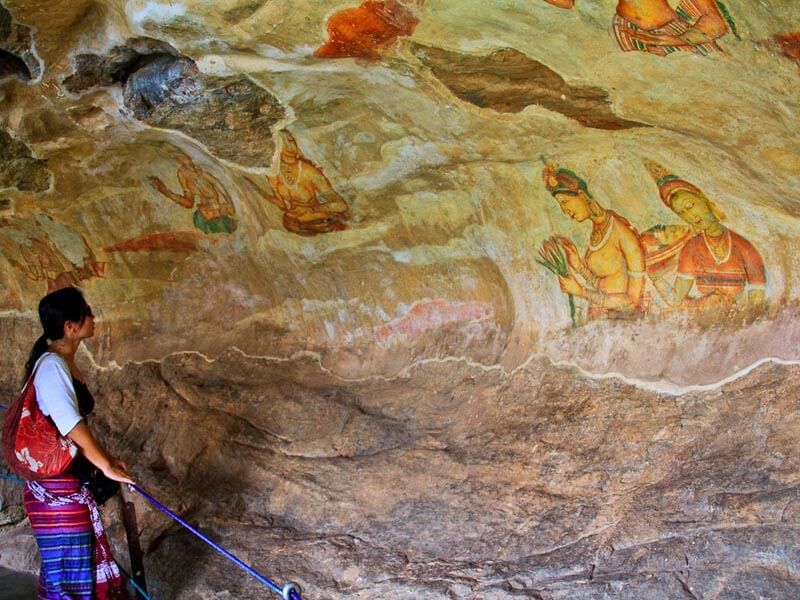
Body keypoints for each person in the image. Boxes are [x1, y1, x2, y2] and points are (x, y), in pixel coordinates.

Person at [21, 286, 134, 599]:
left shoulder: (60, 360)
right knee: (70, 572)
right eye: (87, 312)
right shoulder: (52, 366)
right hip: (57, 488)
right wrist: (106, 466)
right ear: (70, 327)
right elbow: (71, 426)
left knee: (74, 566)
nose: (93, 317)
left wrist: (106, 458)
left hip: (65, 479)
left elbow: (70, 423)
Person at [643, 159, 766, 313]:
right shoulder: (692, 248)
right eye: (682, 212)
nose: (690, 215)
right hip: (703, 322)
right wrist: (655, 277)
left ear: (704, 200)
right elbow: (675, 299)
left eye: (690, 206)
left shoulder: (744, 248)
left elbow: (757, 305)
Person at [542, 164, 647, 319]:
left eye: (564, 202)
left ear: (582, 196)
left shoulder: (623, 235)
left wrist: (581, 292)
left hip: (622, 323)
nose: (564, 211)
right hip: (600, 320)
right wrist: (578, 265)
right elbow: (603, 284)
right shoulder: (598, 230)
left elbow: (632, 301)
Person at [249, 131, 351, 235]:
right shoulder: (273, 173)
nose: (290, 147)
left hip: (319, 220)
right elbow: (281, 203)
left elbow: (341, 205)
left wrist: (315, 208)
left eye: (291, 141)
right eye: (283, 143)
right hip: (295, 224)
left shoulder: (309, 171)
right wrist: (259, 191)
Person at [149, 154, 237, 235]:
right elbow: (189, 203)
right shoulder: (185, 178)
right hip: (207, 216)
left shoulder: (200, 174)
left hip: (215, 211)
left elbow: (218, 185)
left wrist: (228, 202)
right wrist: (165, 192)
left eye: (192, 164)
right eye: (187, 166)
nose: (192, 168)